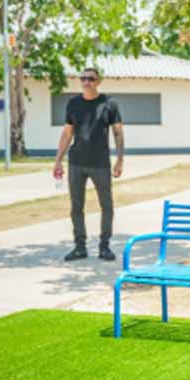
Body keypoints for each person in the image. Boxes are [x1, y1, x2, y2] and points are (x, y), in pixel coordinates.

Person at [52, 67, 124, 261]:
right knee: (76, 207)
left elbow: (117, 132)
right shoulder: (73, 103)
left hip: (100, 163)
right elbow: (67, 133)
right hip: (76, 163)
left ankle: (104, 247)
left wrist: (119, 159)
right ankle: (80, 247)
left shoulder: (109, 103)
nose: (86, 82)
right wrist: (58, 160)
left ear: (98, 81)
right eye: (83, 78)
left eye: (90, 79)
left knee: (106, 205)